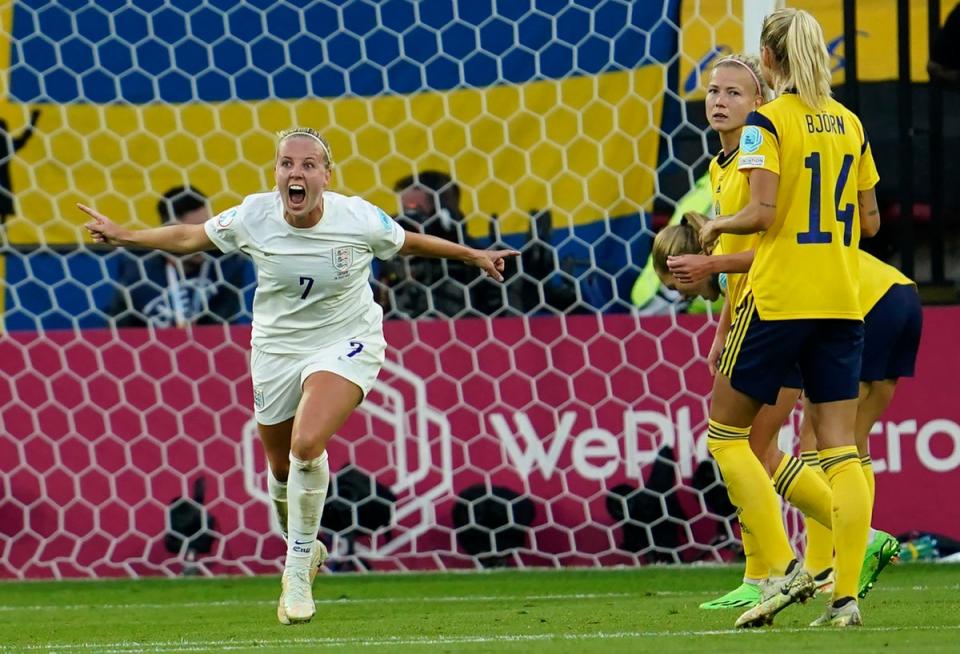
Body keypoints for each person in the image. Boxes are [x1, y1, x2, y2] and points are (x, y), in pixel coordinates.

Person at [80, 127, 519, 625]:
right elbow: (187, 236)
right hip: (275, 349)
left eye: (309, 164)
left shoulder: (356, 216)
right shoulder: (254, 215)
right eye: (287, 163)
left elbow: (407, 242)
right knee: (282, 470)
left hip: (347, 339)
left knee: (307, 444)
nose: (296, 172)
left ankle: (294, 570)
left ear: (326, 176)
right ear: (277, 172)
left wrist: (474, 255)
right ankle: (306, 550)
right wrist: (125, 234)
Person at [692, 8, 882, 628]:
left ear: (768, 61)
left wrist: (715, 225)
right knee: (841, 449)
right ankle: (845, 598)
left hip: (778, 299)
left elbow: (764, 213)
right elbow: (872, 222)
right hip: (841, 297)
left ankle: (776, 566)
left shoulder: (764, 125)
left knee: (727, 435)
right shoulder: (851, 123)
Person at [107, 186, 248, 328]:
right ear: (170, 231)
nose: (203, 236)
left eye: (207, 227)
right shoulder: (137, 274)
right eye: (192, 230)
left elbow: (226, 324)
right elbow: (119, 329)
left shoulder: (227, 266)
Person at [377, 170, 504, 318]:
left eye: (416, 210)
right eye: (405, 212)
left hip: (459, 326)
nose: (410, 219)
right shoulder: (394, 252)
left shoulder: (473, 254)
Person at [0, 109, 40, 226]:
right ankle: (4, 238)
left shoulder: (8, 145)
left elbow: (24, 138)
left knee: (3, 211)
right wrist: (34, 119)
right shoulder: (8, 145)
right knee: (3, 213)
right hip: (4, 183)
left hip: (4, 183)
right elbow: (25, 137)